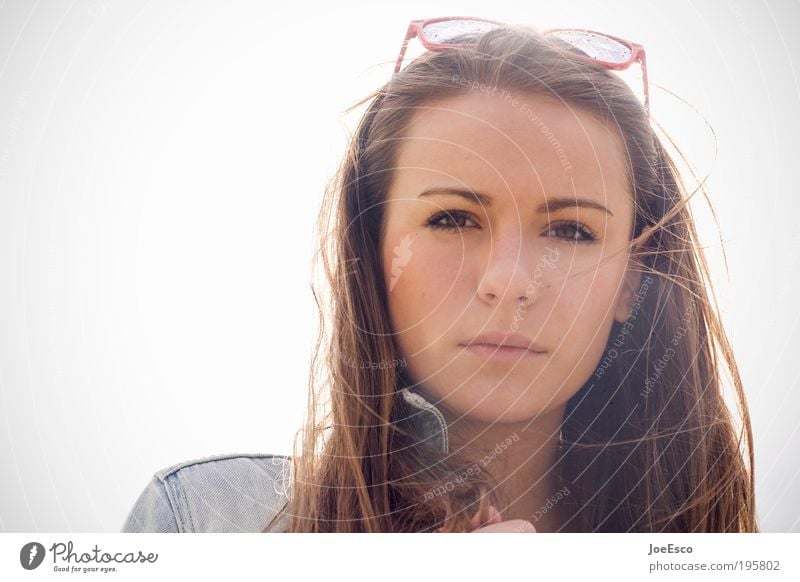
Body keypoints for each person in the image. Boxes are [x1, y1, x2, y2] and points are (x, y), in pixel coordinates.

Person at [122, 17, 757, 534]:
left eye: (570, 230)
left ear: (630, 281)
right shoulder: (208, 522)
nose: (508, 282)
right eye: (453, 218)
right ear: (371, 251)